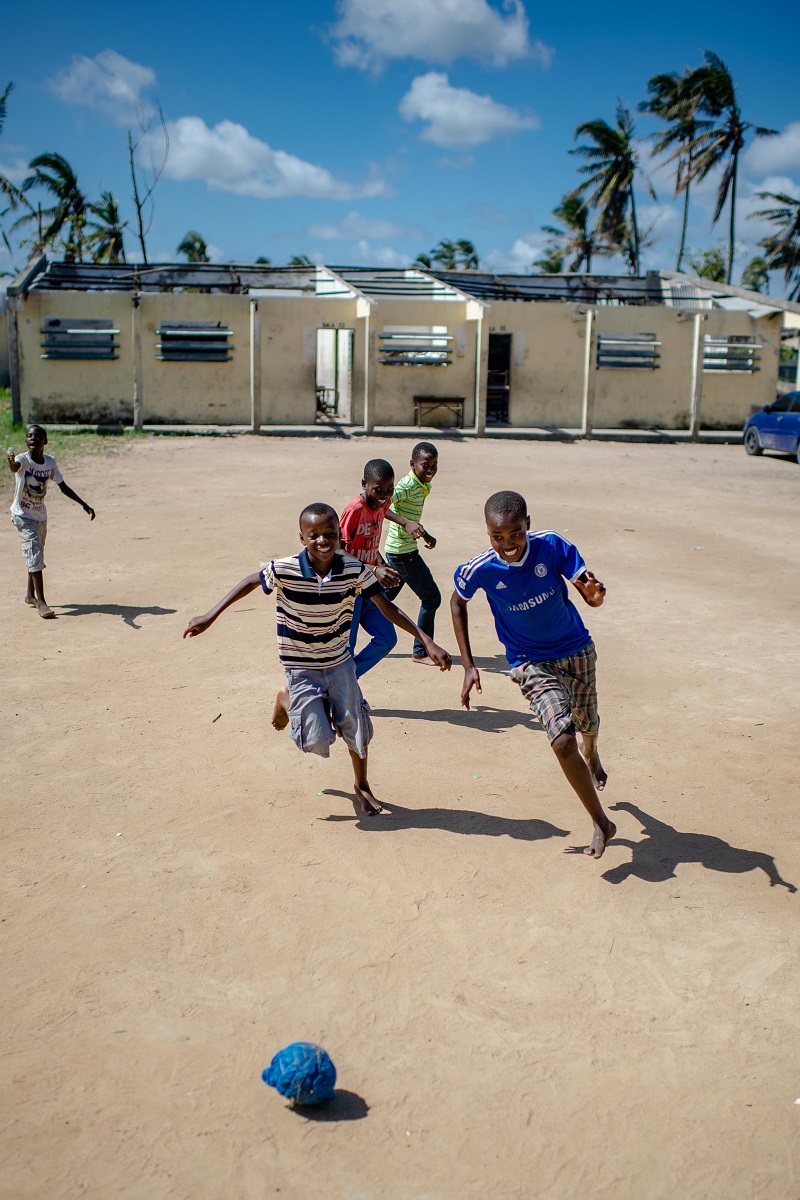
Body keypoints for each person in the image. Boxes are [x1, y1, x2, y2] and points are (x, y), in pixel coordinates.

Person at [183, 502, 451, 816]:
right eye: (314, 535)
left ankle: (362, 785)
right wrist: (210, 615)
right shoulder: (286, 569)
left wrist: (425, 639)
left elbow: (388, 608)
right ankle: (286, 700)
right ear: (302, 538)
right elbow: (250, 582)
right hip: (301, 666)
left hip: (339, 662)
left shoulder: (354, 570)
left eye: (330, 533)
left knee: (357, 727)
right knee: (316, 740)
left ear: (340, 535)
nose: (323, 540)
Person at [450, 490, 616, 859]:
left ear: (528, 524)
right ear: (487, 532)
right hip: (528, 660)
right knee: (561, 739)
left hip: (575, 649)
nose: (507, 544)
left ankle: (593, 751)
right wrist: (468, 664)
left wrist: (595, 597)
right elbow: (457, 601)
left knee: (587, 724)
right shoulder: (479, 569)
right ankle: (601, 822)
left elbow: (588, 592)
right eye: (497, 537)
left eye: (515, 534)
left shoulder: (552, 545)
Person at [7, 424, 96, 619]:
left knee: (35, 553)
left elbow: (63, 486)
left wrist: (83, 504)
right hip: (22, 515)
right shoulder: (22, 460)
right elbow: (15, 467)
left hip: (40, 517)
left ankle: (30, 595)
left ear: (45, 442)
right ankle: (41, 602)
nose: (33, 439)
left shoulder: (50, 463)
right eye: (30, 436)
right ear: (25, 440)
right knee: (34, 551)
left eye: (38, 437)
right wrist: (11, 462)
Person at [339, 458, 402, 678]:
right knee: (348, 647)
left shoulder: (383, 505)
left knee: (387, 639)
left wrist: (380, 563)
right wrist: (374, 570)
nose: (384, 494)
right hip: (351, 588)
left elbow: (368, 542)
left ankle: (347, 680)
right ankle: (343, 688)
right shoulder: (355, 509)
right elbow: (338, 550)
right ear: (364, 484)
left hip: (371, 584)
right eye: (378, 489)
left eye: (389, 489)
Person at [383, 441, 441, 666]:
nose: (430, 470)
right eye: (425, 465)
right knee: (431, 598)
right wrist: (406, 523)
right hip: (402, 552)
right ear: (412, 464)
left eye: (434, 465)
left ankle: (357, 614)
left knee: (384, 598)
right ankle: (422, 651)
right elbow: (380, 505)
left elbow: (410, 513)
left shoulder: (422, 484)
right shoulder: (407, 485)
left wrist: (425, 534)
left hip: (403, 549)